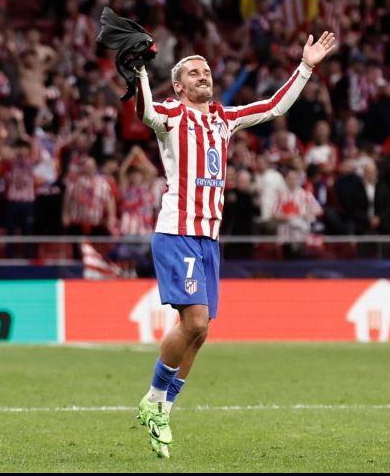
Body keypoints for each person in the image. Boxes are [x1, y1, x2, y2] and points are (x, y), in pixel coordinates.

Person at [133, 31, 336, 458]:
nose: (203, 76)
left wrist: (306, 66)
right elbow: (145, 110)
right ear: (179, 86)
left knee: (201, 332)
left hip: (209, 237)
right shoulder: (172, 114)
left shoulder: (224, 119)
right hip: (177, 231)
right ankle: (152, 399)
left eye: (206, 71)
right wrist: (139, 73)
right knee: (194, 323)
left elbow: (275, 106)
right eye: (194, 72)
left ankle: (165, 409)